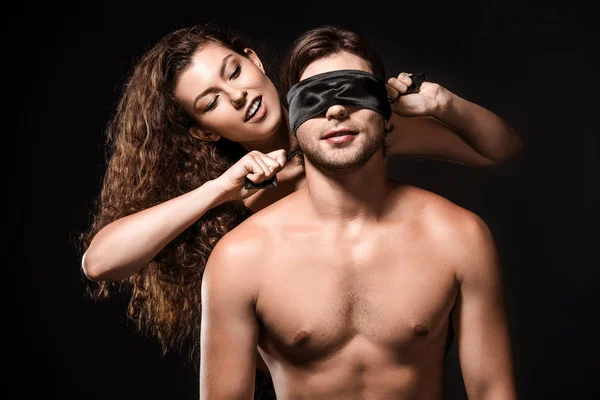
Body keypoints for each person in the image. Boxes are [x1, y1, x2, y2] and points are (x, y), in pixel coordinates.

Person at [78, 23, 520, 396]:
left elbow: (496, 148)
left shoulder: (352, 122)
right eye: (210, 102)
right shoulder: (237, 211)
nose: (237, 96)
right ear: (204, 132)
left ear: (253, 59)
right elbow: (100, 262)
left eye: (233, 72)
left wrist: (440, 103)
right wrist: (219, 190)